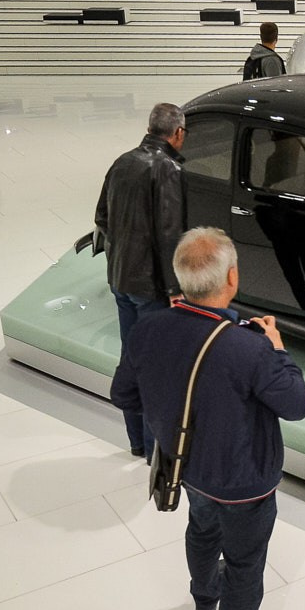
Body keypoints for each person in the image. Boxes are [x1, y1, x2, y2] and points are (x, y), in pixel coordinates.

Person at [109, 227, 305, 610]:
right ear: (232, 278)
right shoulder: (249, 346)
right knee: (245, 568)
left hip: (185, 469)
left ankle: (203, 597)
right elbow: (296, 403)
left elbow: (124, 394)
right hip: (244, 484)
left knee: (201, 529)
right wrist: (279, 350)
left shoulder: (148, 329)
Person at [95, 104, 189, 458]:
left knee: (131, 360)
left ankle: (136, 442)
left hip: (121, 278)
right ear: (177, 133)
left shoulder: (122, 161)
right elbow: (169, 234)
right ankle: (155, 451)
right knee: (156, 370)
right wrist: (174, 289)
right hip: (151, 288)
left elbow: (101, 216)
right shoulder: (167, 169)